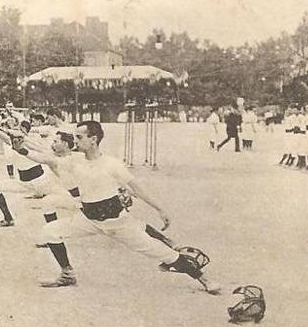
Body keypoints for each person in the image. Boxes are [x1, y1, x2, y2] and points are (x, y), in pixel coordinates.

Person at [19, 121, 220, 293]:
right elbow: (43, 158)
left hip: (118, 223)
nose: (75, 141)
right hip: (88, 220)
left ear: (93, 139)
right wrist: (21, 148)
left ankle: (204, 278)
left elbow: (137, 189)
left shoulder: (111, 164)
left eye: (79, 137)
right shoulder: (73, 160)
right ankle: (67, 274)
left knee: (162, 253)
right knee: (50, 231)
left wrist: (160, 209)